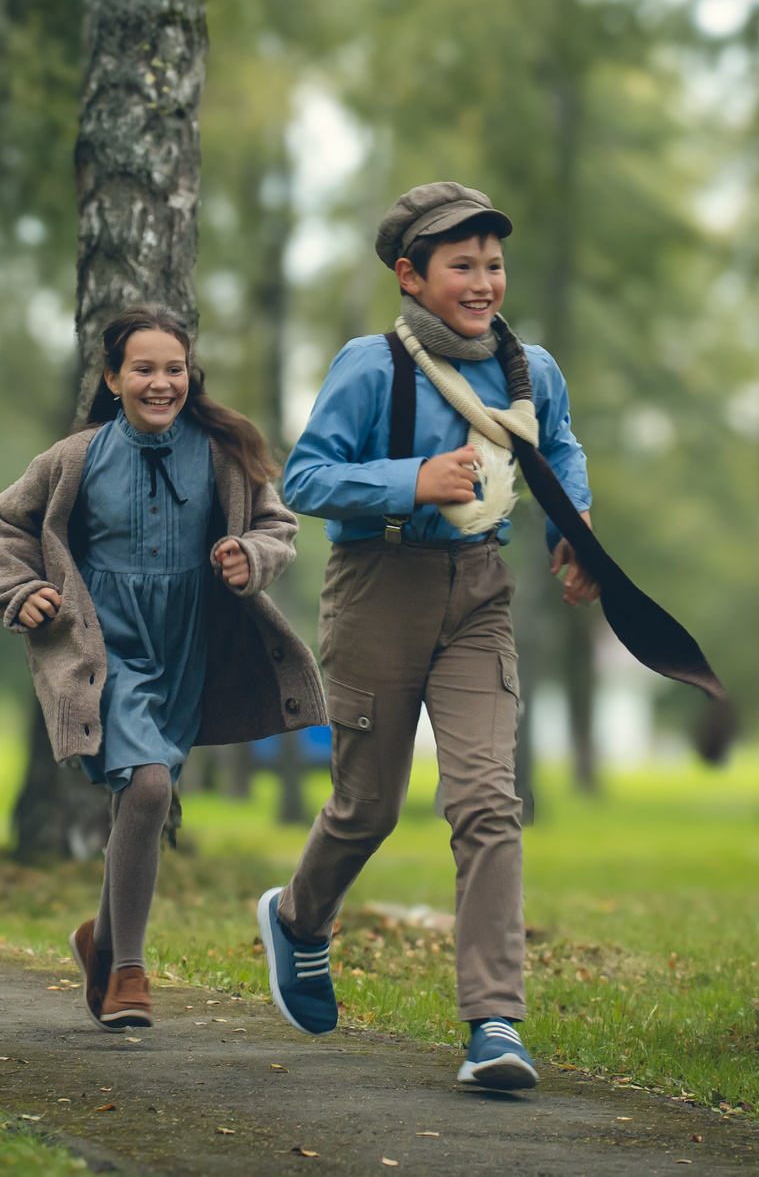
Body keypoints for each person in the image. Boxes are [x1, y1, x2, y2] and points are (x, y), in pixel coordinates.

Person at [254, 182, 595, 1091]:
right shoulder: (372, 365)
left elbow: (558, 451)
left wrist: (576, 534)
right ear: (410, 275)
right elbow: (307, 476)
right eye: (461, 266)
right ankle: (298, 919)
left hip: (479, 588)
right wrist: (414, 479)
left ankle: (494, 1022)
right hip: (377, 588)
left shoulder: (534, 368)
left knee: (487, 800)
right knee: (368, 804)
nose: (484, 281)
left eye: (492, 263)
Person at [0, 303, 323, 1031]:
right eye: (143, 368)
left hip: (187, 648)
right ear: (113, 377)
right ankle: (129, 968)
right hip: (106, 650)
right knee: (146, 787)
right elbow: (8, 523)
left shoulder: (222, 455)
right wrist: (24, 592)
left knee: (146, 789)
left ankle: (99, 942)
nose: (160, 382)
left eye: (174, 368)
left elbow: (277, 526)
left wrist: (249, 557)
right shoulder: (74, 458)